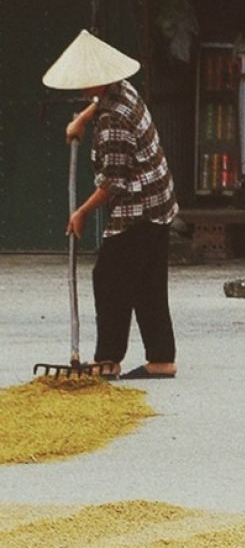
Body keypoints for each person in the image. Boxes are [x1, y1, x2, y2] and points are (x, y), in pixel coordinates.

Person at [43, 30, 179, 380]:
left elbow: (113, 184)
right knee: (147, 282)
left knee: (109, 278)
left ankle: (108, 360)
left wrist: (80, 213)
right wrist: (82, 119)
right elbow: (100, 103)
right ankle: (161, 359)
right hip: (159, 200)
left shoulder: (113, 122)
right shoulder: (121, 88)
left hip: (140, 205)